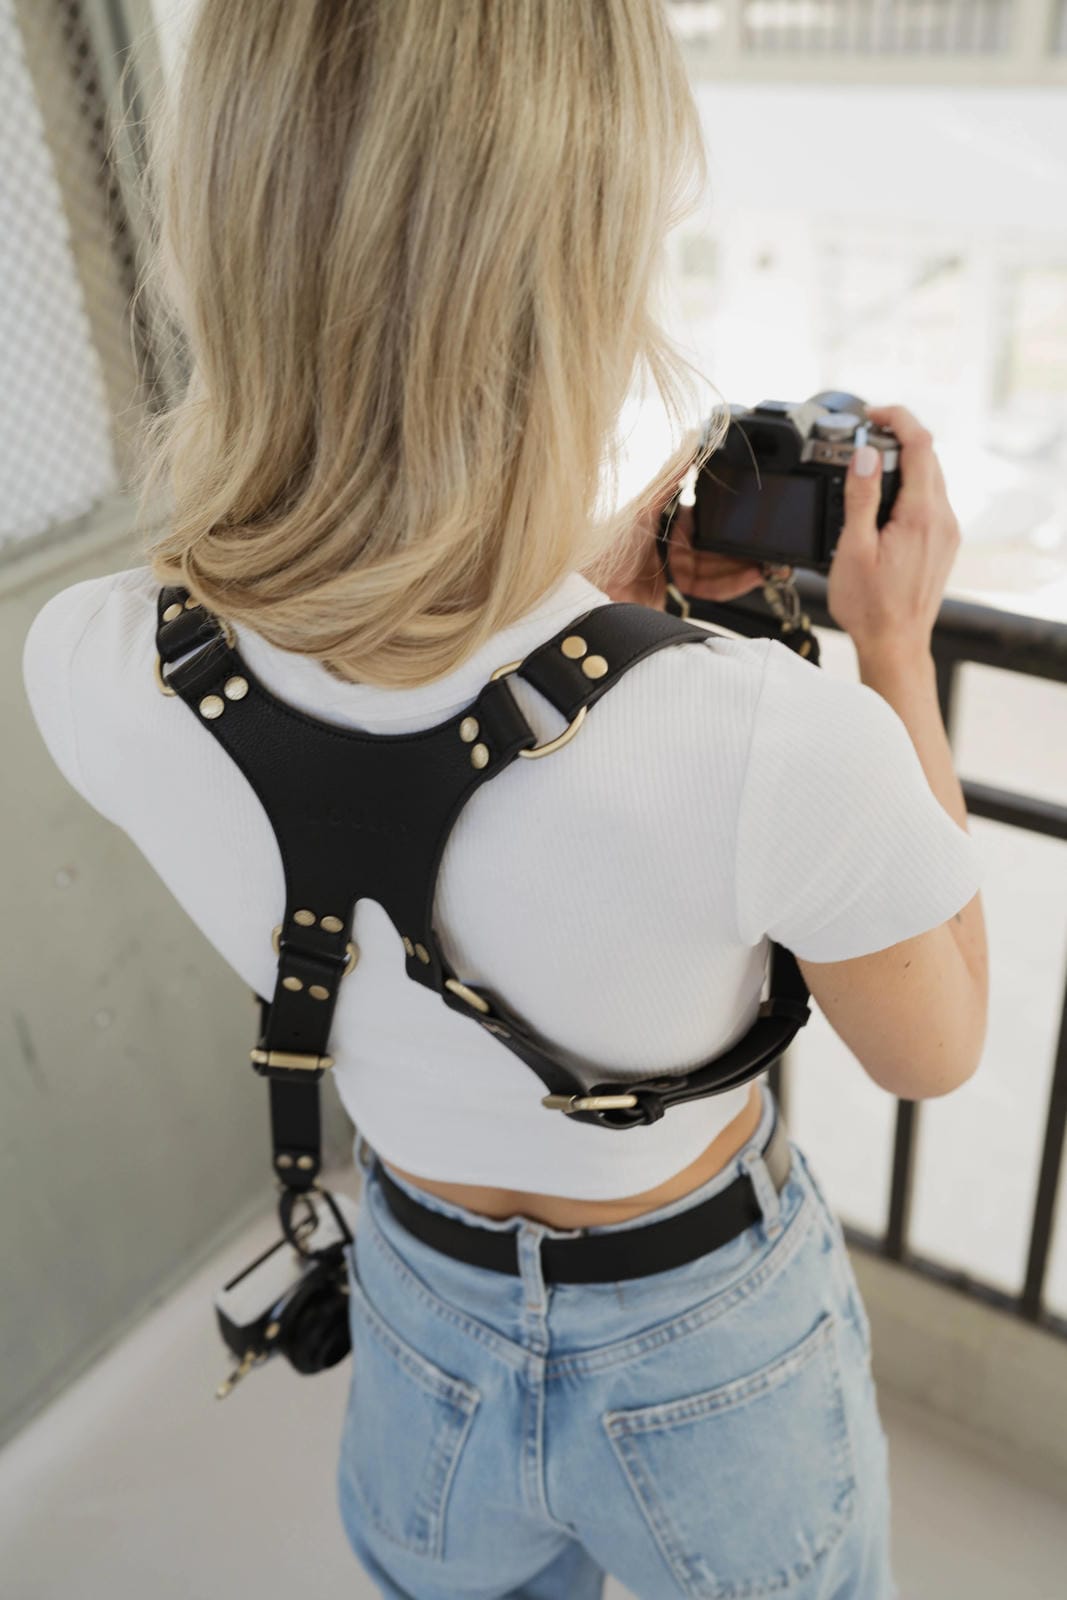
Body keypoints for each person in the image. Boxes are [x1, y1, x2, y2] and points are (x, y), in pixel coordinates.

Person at [21, 3, 987, 1596]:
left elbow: (382, 685)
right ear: (578, 279)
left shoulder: (94, 660)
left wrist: (585, 598)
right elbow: (933, 1048)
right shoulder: (764, 735)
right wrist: (896, 647)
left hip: (421, 1307)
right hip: (708, 1342)